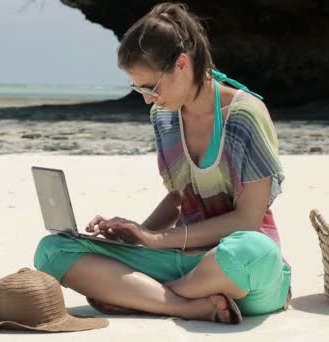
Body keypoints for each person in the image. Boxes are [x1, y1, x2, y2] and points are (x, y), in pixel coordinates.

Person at [34, 2, 291, 324]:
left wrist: (158, 240)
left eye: (150, 87)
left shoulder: (243, 116)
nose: (146, 98)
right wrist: (137, 231)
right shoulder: (164, 116)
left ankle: (149, 296)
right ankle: (186, 305)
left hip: (240, 270)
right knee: (53, 249)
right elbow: (180, 197)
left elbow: (248, 219)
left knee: (250, 250)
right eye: (137, 88)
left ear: (182, 64)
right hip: (182, 259)